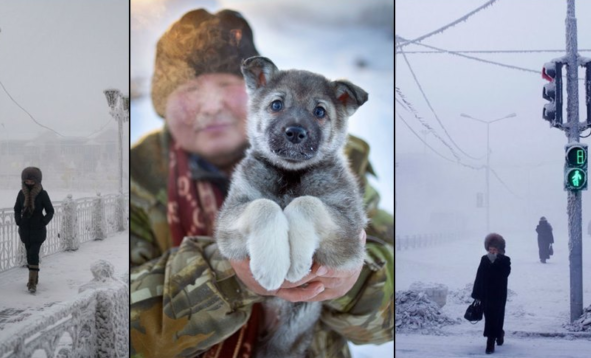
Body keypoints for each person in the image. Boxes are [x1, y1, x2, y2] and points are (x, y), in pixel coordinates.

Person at [129, 9, 394, 358]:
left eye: (225, 84)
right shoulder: (132, 182)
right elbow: (113, 325)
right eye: (190, 88)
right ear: (164, 103)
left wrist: (351, 276)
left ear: (252, 88)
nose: (211, 106)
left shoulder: (348, 166)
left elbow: (397, 309)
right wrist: (229, 272)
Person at [14, 166, 54, 293]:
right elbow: (16, 209)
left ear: (37, 181)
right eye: (27, 181)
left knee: (33, 253)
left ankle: (31, 283)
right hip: (25, 230)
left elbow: (50, 211)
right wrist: (18, 221)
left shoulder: (43, 194)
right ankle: (35, 277)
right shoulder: (21, 194)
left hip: (38, 230)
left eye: (32, 181)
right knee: (28, 254)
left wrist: (43, 222)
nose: (29, 183)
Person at [472, 233, 511, 355]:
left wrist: (496, 261)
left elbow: (504, 274)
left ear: (500, 250)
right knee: (489, 317)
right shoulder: (484, 259)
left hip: (499, 294)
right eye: (490, 249)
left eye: (494, 249)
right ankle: (493, 338)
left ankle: (495, 337)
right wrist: (477, 293)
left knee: (497, 316)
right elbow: (479, 276)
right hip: (486, 294)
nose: (492, 251)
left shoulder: (505, 260)